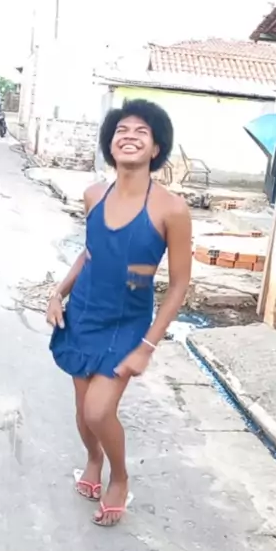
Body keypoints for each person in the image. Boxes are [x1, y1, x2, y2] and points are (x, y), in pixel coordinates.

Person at [46, 99, 192, 526]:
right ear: (110, 145)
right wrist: (58, 293)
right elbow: (90, 253)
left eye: (141, 131)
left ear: (156, 148)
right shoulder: (94, 195)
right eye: (121, 131)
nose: (129, 136)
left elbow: (179, 284)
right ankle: (93, 460)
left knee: (98, 410)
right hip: (83, 313)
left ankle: (121, 477)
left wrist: (147, 346)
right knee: (82, 412)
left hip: (127, 323)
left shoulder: (172, 209)